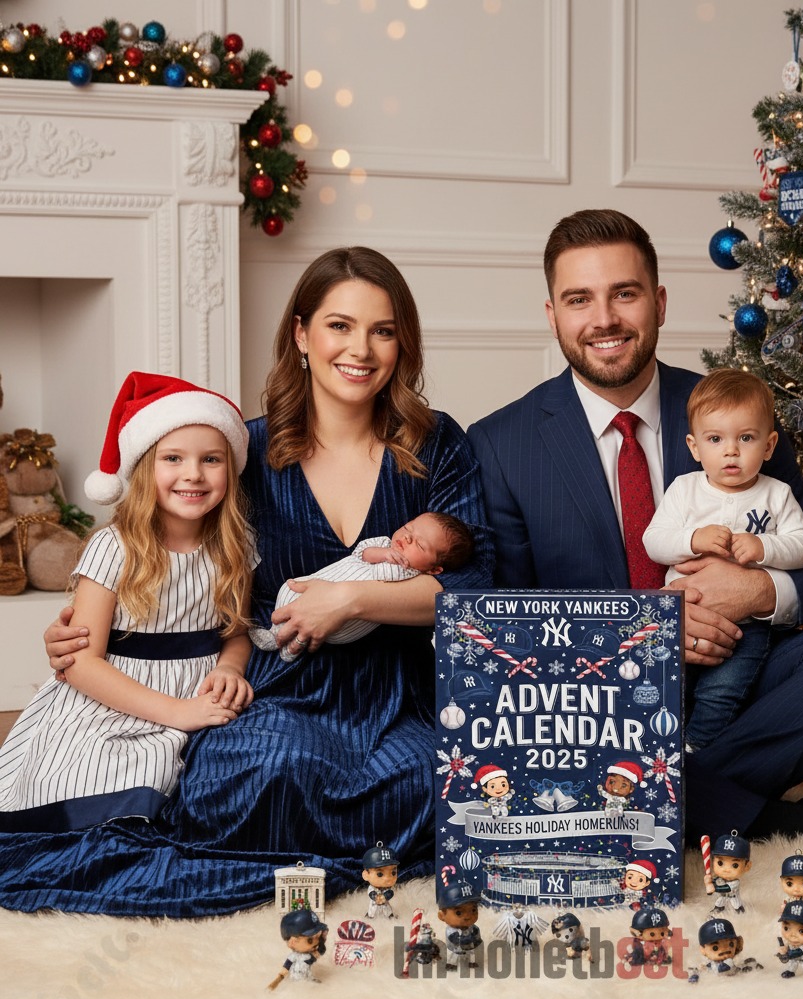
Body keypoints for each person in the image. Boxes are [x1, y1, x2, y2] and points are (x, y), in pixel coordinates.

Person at [4, 247, 494, 916]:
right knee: (250, 774)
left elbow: (477, 590)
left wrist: (352, 597)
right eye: (340, 326)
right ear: (301, 334)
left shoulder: (437, 445)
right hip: (279, 687)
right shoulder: (243, 451)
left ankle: (322, 860)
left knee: (442, 782)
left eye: (383, 330)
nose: (362, 349)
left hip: (395, 689)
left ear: (402, 343)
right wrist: (95, 632)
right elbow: (170, 556)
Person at [467, 208, 803, 852]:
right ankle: (773, 821)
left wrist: (758, 592)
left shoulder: (733, 411)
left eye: (624, 294)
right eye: (580, 299)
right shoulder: (501, 444)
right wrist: (647, 628)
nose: (603, 319)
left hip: (734, 679)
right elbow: (503, 625)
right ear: (553, 315)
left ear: (658, 302)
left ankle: (650, 808)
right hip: (593, 706)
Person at [0, 372, 255, 832]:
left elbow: (235, 631)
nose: (193, 474)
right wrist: (177, 713)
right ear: (143, 469)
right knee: (110, 797)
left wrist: (230, 668)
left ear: (230, 471)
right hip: (111, 702)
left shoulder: (236, 547)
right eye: (173, 458)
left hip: (197, 697)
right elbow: (79, 662)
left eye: (211, 459)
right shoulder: (114, 547)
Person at [642, 368, 803, 751]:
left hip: (746, 626)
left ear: (769, 446)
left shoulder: (777, 494)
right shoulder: (685, 490)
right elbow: (653, 541)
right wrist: (693, 539)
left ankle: (698, 749)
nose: (731, 451)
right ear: (694, 447)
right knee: (664, 684)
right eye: (716, 439)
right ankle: (658, 750)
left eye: (746, 438)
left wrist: (765, 547)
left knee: (724, 689)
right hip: (680, 616)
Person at [249, 510, 474, 660]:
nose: (406, 538)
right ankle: (274, 636)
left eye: (419, 544)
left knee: (326, 629)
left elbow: (395, 581)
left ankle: (290, 648)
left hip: (348, 627)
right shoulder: (384, 545)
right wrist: (384, 553)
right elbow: (361, 552)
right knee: (289, 589)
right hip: (319, 586)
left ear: (434, 570)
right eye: (408, 528)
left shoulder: (414, 577)